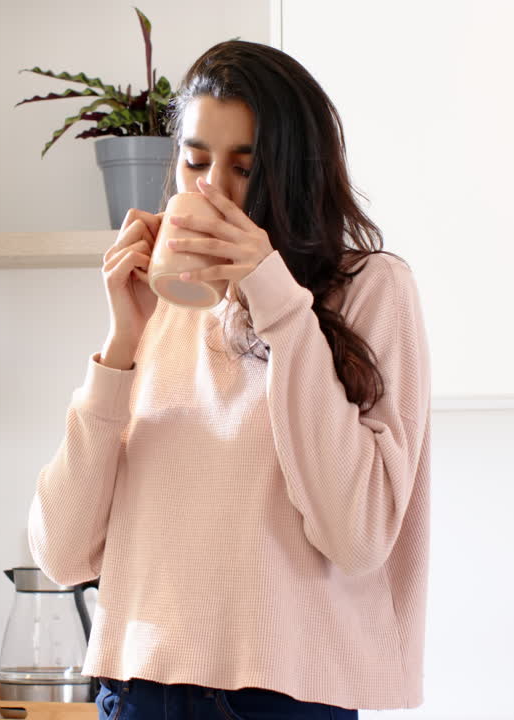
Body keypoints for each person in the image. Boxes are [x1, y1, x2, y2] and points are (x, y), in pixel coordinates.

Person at [27, 40, 432, 720]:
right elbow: (62, 555)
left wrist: (276, 299)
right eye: (195, 162)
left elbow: (357, 537)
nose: (211, 189)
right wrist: (121, 345)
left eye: (243, 168)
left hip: (282, 700)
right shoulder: (158, 308)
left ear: (293, 175)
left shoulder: (370, 289)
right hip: (138, 692)